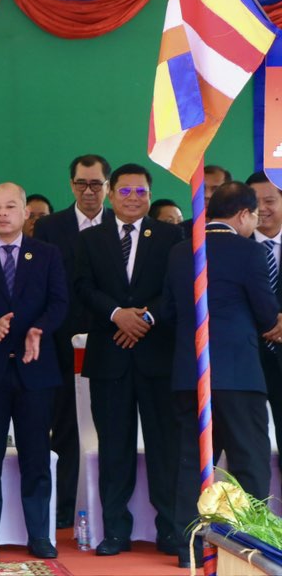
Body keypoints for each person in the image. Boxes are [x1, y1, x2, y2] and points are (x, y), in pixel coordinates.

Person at [163, 181, 282, 568]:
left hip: (190, 373)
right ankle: (251, 547)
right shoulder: (250, 251)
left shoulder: (181, 251)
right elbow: (266, 313)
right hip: (239, 376)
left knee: (193, 463)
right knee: (250, 461)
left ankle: (189, 549)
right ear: (243, 214)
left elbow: (168, 310)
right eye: (254, 216)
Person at [74, 163, 183, 558]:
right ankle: (115, 532)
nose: (133, 198)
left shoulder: (171, 236)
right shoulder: (91, 238)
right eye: (125, 191)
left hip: (158, 359)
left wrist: (145, 318)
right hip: (110, 357)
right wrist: (117, 314)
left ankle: (170, 530)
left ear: (150, 195)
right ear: (110, 194)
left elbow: (176, 288)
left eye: (141, 192)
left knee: (164, 448)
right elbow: (82, 286)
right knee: (114, 448)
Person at [0, 182, 67, 561]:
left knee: (36, 456)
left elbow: (59, 302)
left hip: (35, 368)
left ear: (25, 213)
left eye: (9, 207)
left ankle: (39, 535)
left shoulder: (47, 254)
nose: (2, 214)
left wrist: (39, 329)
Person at [33, 153, 114, 530]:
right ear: (71, 185)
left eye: (96, 184)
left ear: (107, 187)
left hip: (111, 338)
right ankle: (64, 507)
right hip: (60, 342)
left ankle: (110, 508)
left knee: (111, 426)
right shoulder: (50, 227)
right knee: (64, 427)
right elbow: (42, 286)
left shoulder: (118, 224)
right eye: (82, 183)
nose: (89, 191)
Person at [245, 172, 282, 499]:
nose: (263, 209)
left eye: (270, 200)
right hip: (246, 363)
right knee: (247, 453)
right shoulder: (234, 248)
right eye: (255, 203)